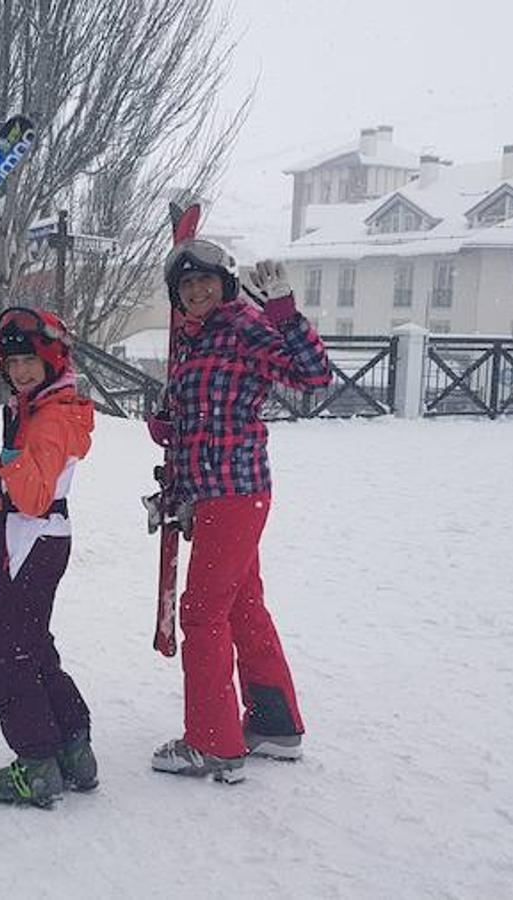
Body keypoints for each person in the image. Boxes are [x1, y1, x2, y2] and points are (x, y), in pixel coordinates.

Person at [145, 240, 332, 783]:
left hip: (235, 490)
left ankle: (213, 743)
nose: (196, 291)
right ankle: (274, 723)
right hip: (209, 494)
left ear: (225, 283)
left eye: (205, 280)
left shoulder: (245, 326)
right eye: (185, 286)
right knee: (243, 607)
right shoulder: (193, 339)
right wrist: (169, 425)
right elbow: (200, 411)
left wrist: (286, 315)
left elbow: (313, 377)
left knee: (202, 614)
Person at [0, 307, 97, 808]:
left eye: (30, 360)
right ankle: (72, 745)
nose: (20, 370)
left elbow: (33, 497)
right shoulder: (48, 406)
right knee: (32, 643)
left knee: (5, 652)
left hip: (28, 538)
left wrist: (10, 463)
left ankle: (36, 763)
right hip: (41, 539)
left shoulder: (48, 418)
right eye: (12, 361)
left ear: (52, 358)